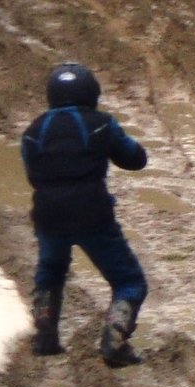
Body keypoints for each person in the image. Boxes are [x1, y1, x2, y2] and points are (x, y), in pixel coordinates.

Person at [21, 62, 148, 367]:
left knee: (51, 270)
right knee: (129, 281)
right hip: (93, 214)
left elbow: (33, 174)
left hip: (48, 215)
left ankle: (45, 336)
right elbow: (134, 159)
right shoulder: (101, 123)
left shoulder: (32, 131)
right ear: (91, 92)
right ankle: (114, 341)